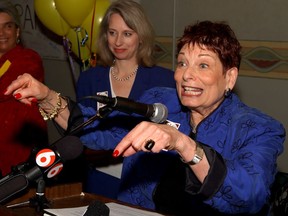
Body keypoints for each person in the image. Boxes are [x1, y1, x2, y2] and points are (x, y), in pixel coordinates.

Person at [4, 20, 285, 215]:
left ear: (229, 77)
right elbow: (97, 129)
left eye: (203, 65)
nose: (187, 74)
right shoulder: (161, 102)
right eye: (182, 63)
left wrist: (184, 145)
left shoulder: (259, 128)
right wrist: (48, 96)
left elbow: (249, 197)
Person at [0, 0, 47, 177]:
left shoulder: (29, 58)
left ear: (17, 31)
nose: (1, 33)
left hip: (20, 150)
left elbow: (6, 88)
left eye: (8, 26)